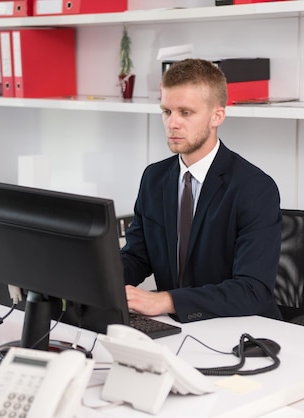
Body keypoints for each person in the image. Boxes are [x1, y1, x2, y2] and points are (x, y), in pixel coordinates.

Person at [121, 58, 282, 323]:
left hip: (239, 329)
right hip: (179, 327)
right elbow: (138, 257)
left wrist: (166, 300)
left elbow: (253, 290)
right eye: (166, 112)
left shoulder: (254, 188)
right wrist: (96, 281)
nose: (172, 123)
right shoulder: (155, 178)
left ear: (217, 116)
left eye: (185, 112)